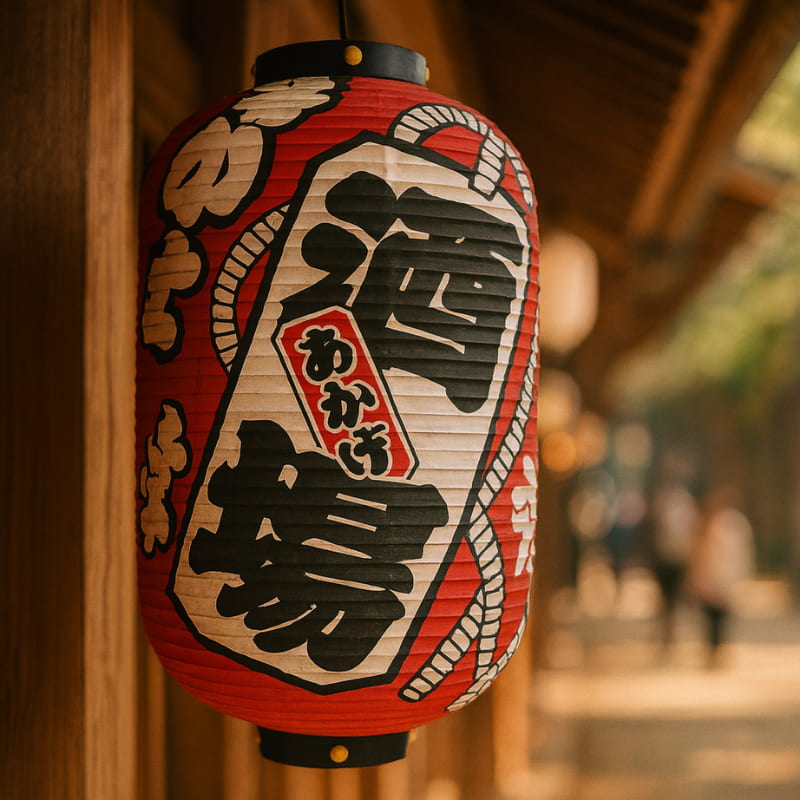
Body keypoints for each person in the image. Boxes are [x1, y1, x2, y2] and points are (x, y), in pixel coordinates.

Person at [687, 488, 754, 667]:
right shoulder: (709, 525)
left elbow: (740, 555)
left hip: (723, 578)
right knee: (711, 618)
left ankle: (717, 650)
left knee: (720, 618)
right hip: (713, 578)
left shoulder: (733, 526)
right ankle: (712, 650)